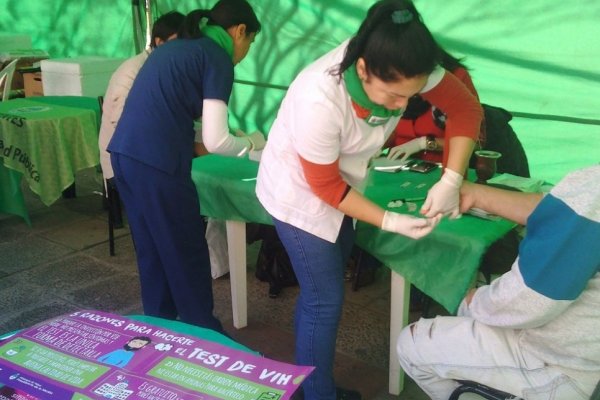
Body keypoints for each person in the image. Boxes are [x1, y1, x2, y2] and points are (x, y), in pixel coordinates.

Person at [255, 1, 481, 398]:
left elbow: (464, 107)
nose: (401, 105)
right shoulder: (318, 97)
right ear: (362, 70)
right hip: (299, 193)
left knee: (324, 290)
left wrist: (451, 178)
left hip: (344, 184)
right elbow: (325, 187)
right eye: (394, 96)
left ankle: (315, 383)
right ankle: (317, 394)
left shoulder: (402, 65)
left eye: (410, 96)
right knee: (324, 299)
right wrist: (390, 220)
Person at [107, 0, 263, 333]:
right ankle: (202, 333)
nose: (247, 50)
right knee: (185, 249)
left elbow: (173, 115)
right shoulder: (216, 56)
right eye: (250, 41)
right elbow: (218, 140)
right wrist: (252, 145)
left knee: (152, 250)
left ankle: (159, 329)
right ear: (239, 31)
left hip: (123, 155)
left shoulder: (179, 47)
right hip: (157, 164)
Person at [397, 165, 600, 399]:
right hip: (581, 346)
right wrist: (475, 194)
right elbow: (561, 211)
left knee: (412, 343)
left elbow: (531, 300)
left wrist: (472, 301)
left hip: (565, 363)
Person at [98, 11, 185, 228]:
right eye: (178, 43)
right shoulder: (132, 71)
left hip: (152, 155)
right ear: (159, 41)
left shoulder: (168, 66)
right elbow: (125, 127)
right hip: (126, 161)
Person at [386, 48, 484, 167]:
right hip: (395, 166)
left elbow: (476, 142)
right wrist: (376, 146)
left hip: (441, 168)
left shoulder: (456, 78)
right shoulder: (390, 77)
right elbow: (390, 127)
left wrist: (422, 143)